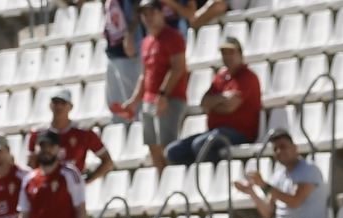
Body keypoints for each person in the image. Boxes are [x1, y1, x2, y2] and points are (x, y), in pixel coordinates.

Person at [223, 129, 327, 218]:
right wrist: (251, 192)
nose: (279, 151)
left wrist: (265, 185)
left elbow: (295, 201)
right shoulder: (278, 176)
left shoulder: (310, 170)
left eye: (283, 147)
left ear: (295, 148)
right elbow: (268, 213)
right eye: (275, 149)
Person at [164, 37, 259, 168]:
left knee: (201, 144)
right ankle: (197, 179)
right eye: (224, 53)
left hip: (240, 133)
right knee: (173, 151)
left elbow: (230, 107)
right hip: (216, 131)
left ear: (240, 54)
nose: (227, 56)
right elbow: (203, 103)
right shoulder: (221, 77)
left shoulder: (248, 77)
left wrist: (213, 106)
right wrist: (223, 98)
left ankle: (214, 180)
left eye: (231, 52)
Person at [137, 0, 187, 169]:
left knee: (168, 147)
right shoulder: (146, 41)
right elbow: (144, 75)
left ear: (161, 13)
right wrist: (134, 100)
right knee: (153, 147)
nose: (148, 17)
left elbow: (178, 68)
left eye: (152, 12)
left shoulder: (173, 36)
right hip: (149, 100)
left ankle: (173, 185)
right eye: (145, 14)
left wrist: (163, 95)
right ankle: (162, 186)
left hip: (169, 98)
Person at [29, 88, 113, 183]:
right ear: (50, 105)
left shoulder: (83, 132)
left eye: (63, 103)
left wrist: (88, 180)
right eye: (55, 102)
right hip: (46, 186)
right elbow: (31, 164)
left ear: (71, 106)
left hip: (72, 187)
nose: (59, 106)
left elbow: (107, 161)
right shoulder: (38, 133)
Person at [101, 0, 142, 116]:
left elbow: (137, 8)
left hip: (127, 53)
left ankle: (136, 127)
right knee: (114, 104)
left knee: (132, 103)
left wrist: (130, 35)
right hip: (112, 51)